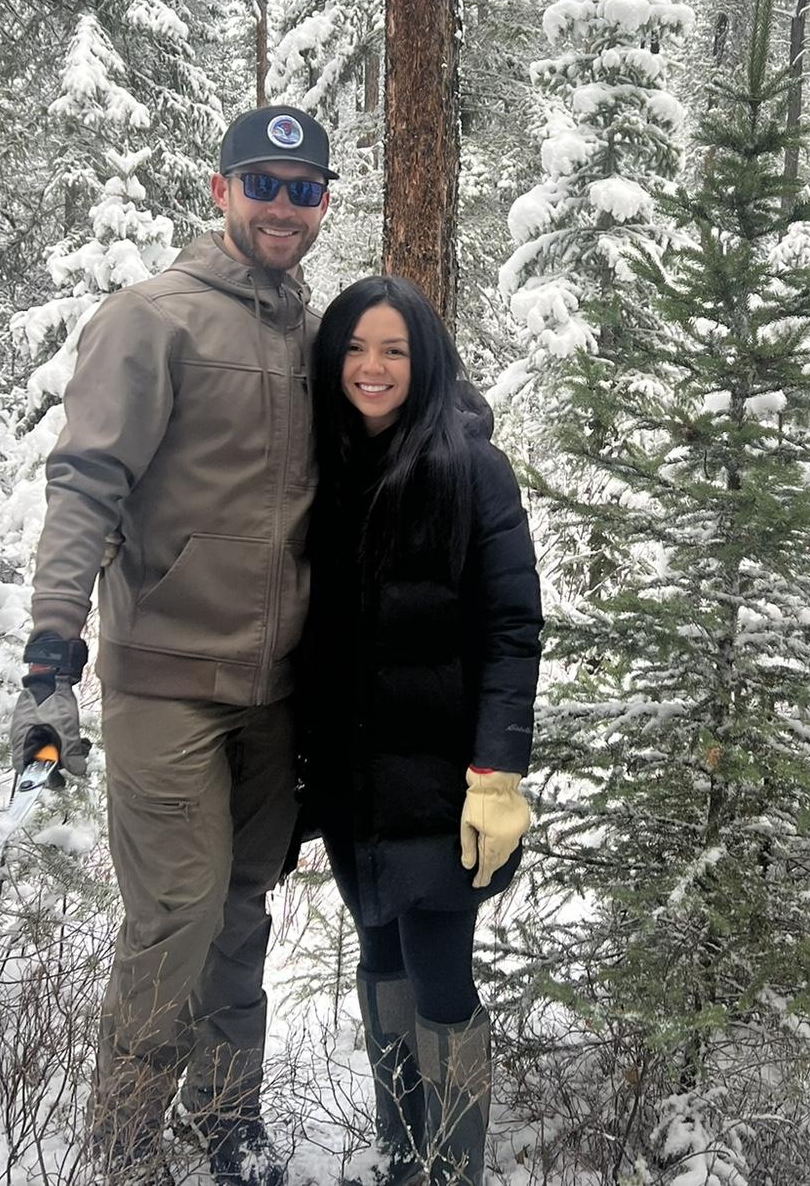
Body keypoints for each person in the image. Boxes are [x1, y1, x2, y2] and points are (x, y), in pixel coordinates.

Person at [10, 106, 339, 1186]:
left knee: (243, 913)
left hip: (274, 692)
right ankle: (121, 1142)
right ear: (220, 189)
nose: (284, 205)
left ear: (322, 203)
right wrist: (50, 660)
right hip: (165, 683)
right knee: (177, 917)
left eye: (304, 187)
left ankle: (228, 1122)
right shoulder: (153, 317)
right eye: (264, 182)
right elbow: (86, 483)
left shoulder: (317, 332)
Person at [296, 276, 542, 1186]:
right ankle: (405, 1158)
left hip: (445, 783)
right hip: (359, 782)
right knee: (380, 956)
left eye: (393, 350)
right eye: (356, 349)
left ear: (425, 360)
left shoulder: (470, 466)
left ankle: (451, 1171)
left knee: (440, 974)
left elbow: (513, 629)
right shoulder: (327, 466)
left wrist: (497, 773)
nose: (372, 367)